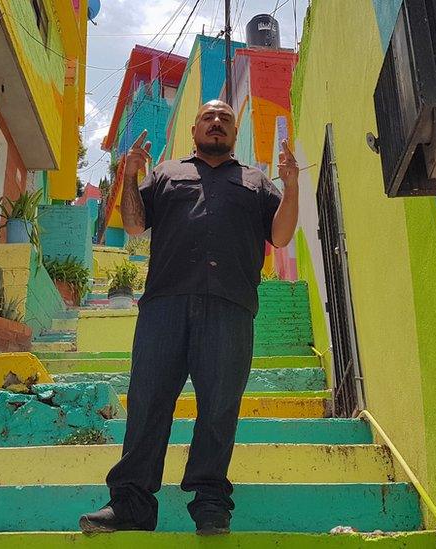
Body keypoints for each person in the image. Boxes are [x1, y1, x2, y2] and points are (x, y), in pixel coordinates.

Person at [80, 100, 300, 536]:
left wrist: (290, 185)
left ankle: (211, 504)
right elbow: (136, 224)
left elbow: (280, 234)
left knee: (219, 408)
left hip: (230, 307)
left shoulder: (255, 181)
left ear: (234, 133)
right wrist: (129, 175)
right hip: (165, 305)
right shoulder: (166, 174)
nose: (217, 123)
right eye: (209, 118)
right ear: (195, 128)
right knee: (147, 402)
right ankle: (131, 505)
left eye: (225, 120)